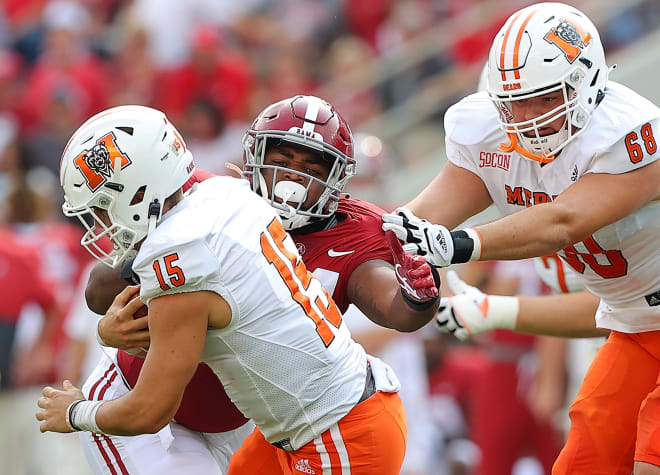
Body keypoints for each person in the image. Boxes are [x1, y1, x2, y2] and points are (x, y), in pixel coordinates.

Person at [36, 102, 438, 474]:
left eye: (104, 205)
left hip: (332, 429)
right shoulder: (226, 194)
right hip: (305, 419)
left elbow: (149, 410)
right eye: (280, 160)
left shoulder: (187, 249)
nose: (292, 179)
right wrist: (112, 331)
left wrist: (75, 413)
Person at [381, 3, 660, 474]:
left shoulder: (629, 133)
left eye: (545, 99)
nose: (526, 117)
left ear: (586, 83)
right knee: (582, 464)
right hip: (635, 325)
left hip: (632, 317)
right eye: (514, 102)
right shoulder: (488, 135)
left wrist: (459, 246)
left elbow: (562, 222)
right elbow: (413, 220)